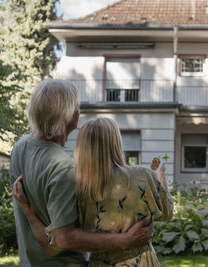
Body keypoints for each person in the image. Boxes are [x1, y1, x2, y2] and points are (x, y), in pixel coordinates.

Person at [10, 79, 152, 267]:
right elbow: (64, 239)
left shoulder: (21, 146)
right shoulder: (64, 168)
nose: (79, 111)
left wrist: (28, 210)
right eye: (77, 106)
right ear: (69, 116)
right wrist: (126, 239)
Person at [13, 117, 173, 266]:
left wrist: (27, 208)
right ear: (116, 142)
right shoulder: (142, 176)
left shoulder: (78, 188)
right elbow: (167, 213)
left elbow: (53, 244)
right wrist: (160, 175)